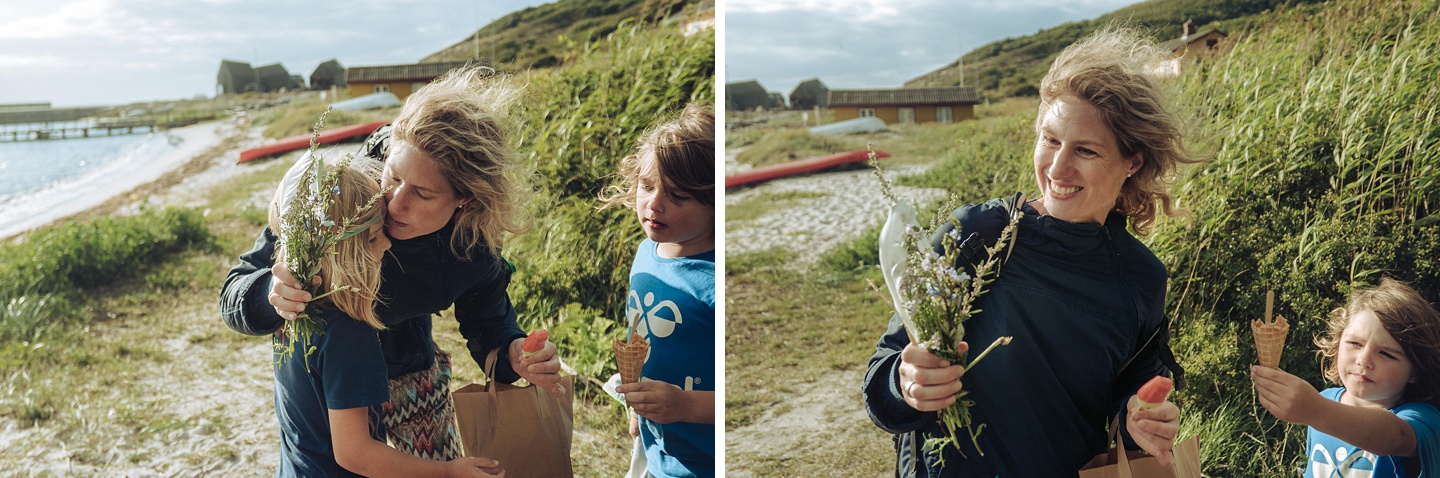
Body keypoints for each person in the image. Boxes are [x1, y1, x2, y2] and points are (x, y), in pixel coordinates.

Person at [863, 27, 1200, 476]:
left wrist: (1139, 420)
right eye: (1051, 139)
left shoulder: (1140, 278)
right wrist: (904, 383)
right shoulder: (976, 234)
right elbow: (883, 377)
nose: (1058, 168)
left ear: (1132, 161)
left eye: (1086, 150)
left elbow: (1131, 396)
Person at [220, 66, 563, 460]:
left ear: (464, 199)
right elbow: (234, 290)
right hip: (322, 381)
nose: (394, 204)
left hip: (410, 376)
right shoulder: (338, 190)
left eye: (422, 194)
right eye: (394, 177)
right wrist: (269, 293)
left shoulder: (473, 249)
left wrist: (515, 354)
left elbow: (490, 327)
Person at [265, 155, 502, 477]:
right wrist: (447, 472)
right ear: (346, 253)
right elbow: (355, 453)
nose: (387, 244)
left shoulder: (292, 314)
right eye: (376, 236)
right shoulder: (350, 335)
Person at [604, 105, 716, 478]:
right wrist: (639, 405)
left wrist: (686, 406)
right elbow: (642, 339)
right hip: (658, 457)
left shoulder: (716, 281)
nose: (654, 203)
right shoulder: (645, 254)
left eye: (678, 195)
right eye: (647, 186)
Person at [1252, 277, 1440, 476]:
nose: (1364, 360)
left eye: (1386, 353)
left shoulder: (1423, 419)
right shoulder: (1324, 399)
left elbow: (1393, 436)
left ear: (1415, 371)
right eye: (1355, 344)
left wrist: (1315, 410)